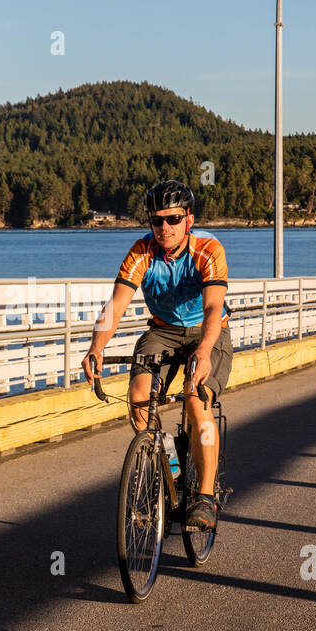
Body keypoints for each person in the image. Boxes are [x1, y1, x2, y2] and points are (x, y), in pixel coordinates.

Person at [83, 179, 232, 528]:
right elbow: (116, 305)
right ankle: (173, 470)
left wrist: (206, 351)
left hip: (208, 331)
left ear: (188, 220)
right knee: (138, 398)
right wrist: (96, 348)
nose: (164, 227)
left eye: (173, 219)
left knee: (196, 398)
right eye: (156, 220)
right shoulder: (142, 251)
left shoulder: (208, 249)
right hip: (162, 331)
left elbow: (213, 309)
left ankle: (206, 498)